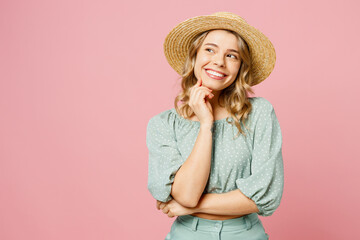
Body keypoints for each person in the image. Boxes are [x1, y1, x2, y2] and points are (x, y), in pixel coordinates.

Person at [146, 11, 284, 240]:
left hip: (245, 234)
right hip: (188, 234)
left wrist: (191, 207)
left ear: (240, 67)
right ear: (194, 57)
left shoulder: (259, 113)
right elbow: (187, 195)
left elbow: (264, 197)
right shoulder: (164, 125)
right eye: (210, 49)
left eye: (232, 55)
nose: (219, 61)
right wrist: (205, 124)